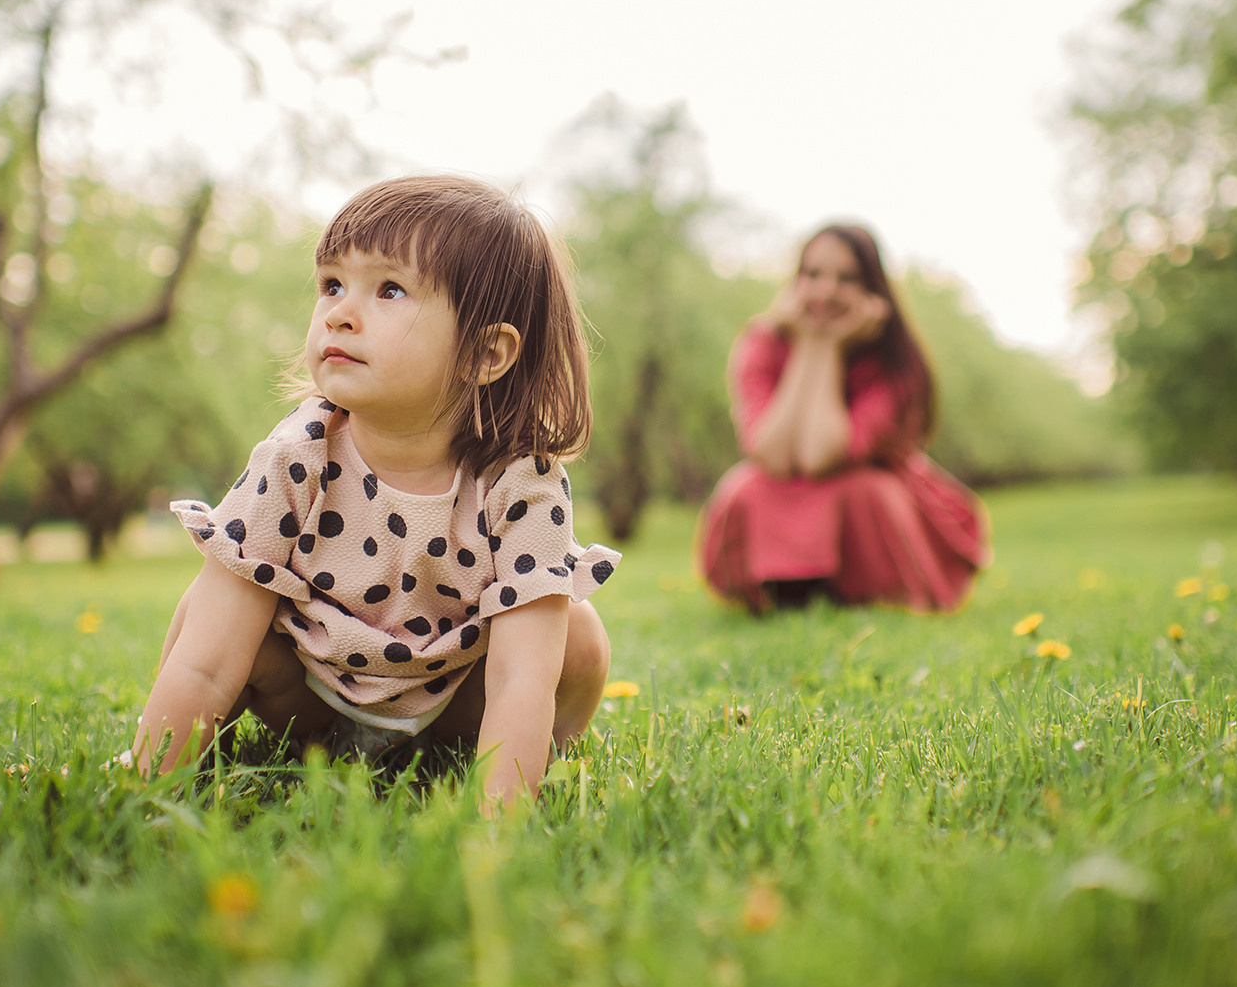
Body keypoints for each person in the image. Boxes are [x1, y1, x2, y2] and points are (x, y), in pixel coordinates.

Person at [134, 175, 619, 810]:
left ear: (487, 352)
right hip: (309, 694)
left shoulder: (519, 482)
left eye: (390, 289)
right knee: (208, 601)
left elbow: (519, 678)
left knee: (576, 635)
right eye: (332, 284)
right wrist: (141, 791)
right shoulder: (295, 456)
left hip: (453, 700)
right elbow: (206, 661)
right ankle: (195, 756)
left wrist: (499, 823)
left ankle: (539, 758)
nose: (338, 311)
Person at [698, 224, 989, 613]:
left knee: (867, 493)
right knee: (746, 487)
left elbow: (821, 456)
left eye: (846, 278)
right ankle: (779, 592)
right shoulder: (762, 342)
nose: (826, 291)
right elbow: (771, 455)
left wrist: (830, 347)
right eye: (813, 275)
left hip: (869, 488)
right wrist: (808, 342)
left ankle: (865, 592)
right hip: (785, 475)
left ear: (873, 289)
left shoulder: (896, 361)